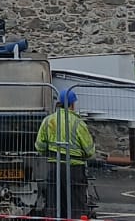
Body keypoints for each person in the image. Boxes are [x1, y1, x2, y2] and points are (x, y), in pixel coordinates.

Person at [36, 88, 95, 218]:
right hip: (74, 168)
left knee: (53, 203)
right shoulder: (78, 123)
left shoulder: (48, 121)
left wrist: (49, 150)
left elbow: (39, 146)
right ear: (72, 104)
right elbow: (89, 150)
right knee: (76, 204)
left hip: (54, 167)